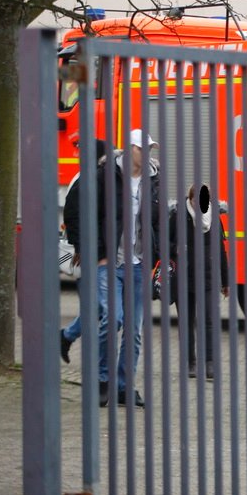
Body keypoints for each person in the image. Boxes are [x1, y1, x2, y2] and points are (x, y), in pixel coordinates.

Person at [95, 129, 162, 408]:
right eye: (142, 149)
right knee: (113, 319)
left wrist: (155, 258)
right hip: (109, 262)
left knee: (134, 331)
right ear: (129, 149)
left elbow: (156, 220)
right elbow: (91, 214)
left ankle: (123, 387)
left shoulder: (153, 179)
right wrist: (100, 254)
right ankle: (102, 380)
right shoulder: (106, 176)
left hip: (138, 264)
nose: (147, 154)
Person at [170, 183, 229, 380]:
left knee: (210, 320)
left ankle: (210, 363)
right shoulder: (178, 215)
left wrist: (226, 281)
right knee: (186, 321)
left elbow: (221, 249)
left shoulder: (213, 218)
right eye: (197, 201)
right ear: (191, 199)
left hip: (209, 276)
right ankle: (190, 362)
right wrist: (175, 248)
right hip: (184, 276)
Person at [59, 139, 109, 365]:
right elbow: (71, 215)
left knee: (98, 308)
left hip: (94, 252)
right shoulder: (84, 179)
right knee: (99, 308)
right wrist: (79, 246)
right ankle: (72, 340)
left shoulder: (91, 178)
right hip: (86, 255)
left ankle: (67, 337)